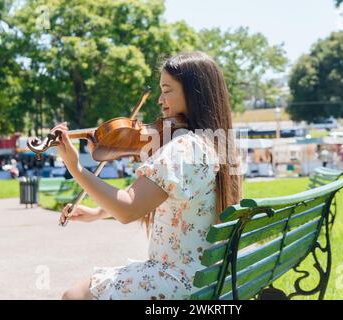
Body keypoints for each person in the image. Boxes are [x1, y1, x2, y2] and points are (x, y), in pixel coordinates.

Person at [52, 51, 242, 300]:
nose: (160, 100)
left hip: (178, 281)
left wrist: (76, 168)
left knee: (74, 296)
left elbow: (128, 210)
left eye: (167, 89)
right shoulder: (220, 145)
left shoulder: (182, 147)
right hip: (207, 277)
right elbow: (168, 199)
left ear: (194, 92)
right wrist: (98, 213)